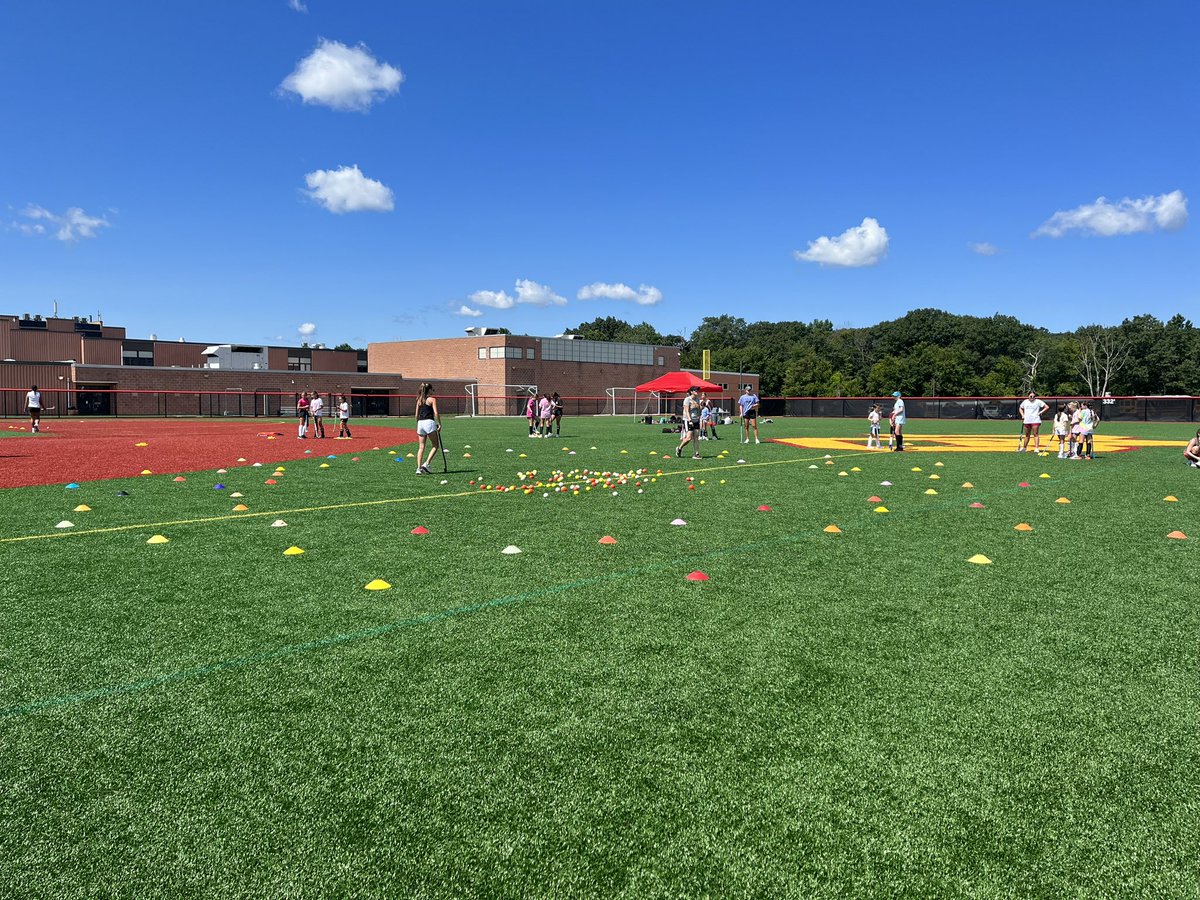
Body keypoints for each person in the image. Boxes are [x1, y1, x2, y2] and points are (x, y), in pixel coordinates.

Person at [414, 383, 441, 474]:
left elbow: (416, 415)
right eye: (432, 390)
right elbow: (436, 413)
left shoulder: (419, 400)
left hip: (420, 423)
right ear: (429, 390)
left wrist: (418, 424)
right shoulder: (432, 399)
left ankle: (418, 468)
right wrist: (439, 424)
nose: (433, 391)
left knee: (421, 447)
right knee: (435, 445)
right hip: (429, 422)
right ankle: (427, 464)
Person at [677, 386, 703, 459]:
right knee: (689, 438)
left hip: (696, 420)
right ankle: (679, 448)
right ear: (691, 392)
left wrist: (699, 415)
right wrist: (690, 420)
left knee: (696, 437)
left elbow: (698, 410)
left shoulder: (697, 400)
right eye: (695, 390)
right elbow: (686, 410)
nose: (697, 391)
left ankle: (696, 454)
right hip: (688, 420)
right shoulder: (687, 399)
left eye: (697, 390)